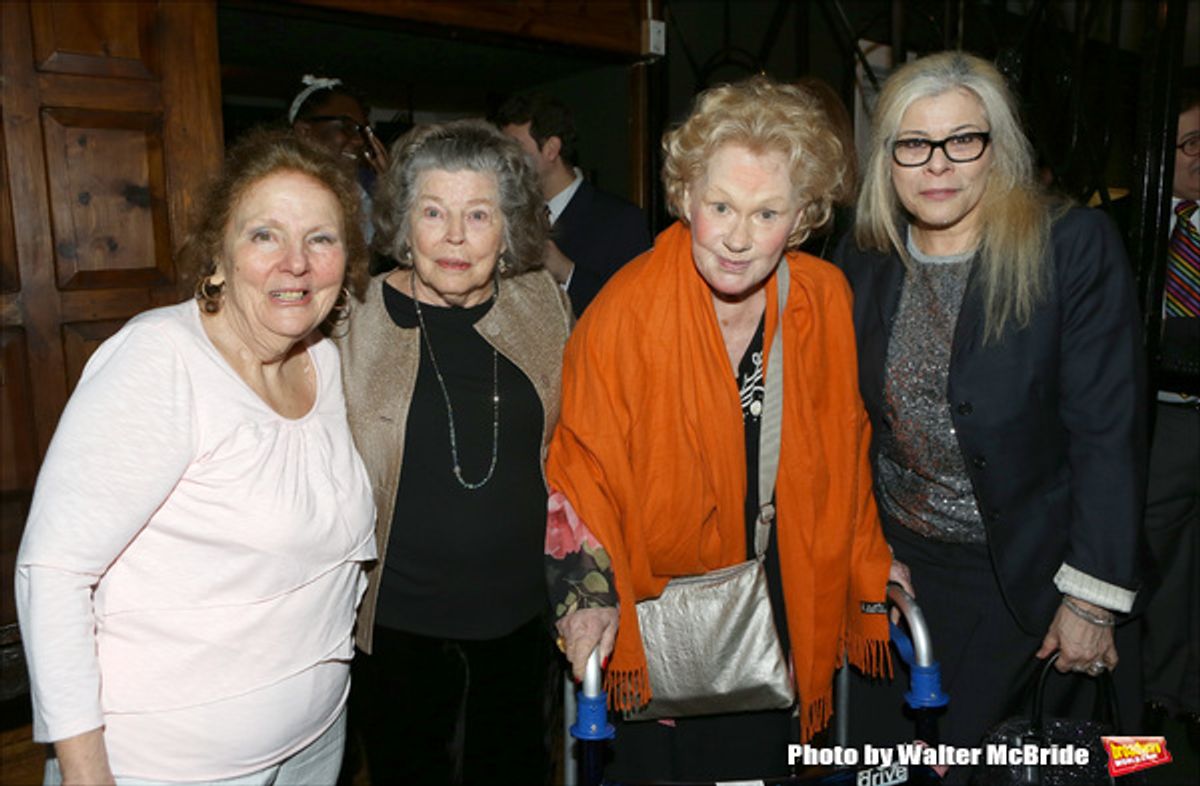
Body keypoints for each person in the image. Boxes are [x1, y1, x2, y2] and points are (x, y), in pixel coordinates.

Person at [546, 76, 895, 782]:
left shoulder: (823, 299)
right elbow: (580, 471)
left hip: (783, 595)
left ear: (803, 216)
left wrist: (869, 557)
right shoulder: (623, 315)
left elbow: (847, 447)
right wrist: (587, 599)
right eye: (722, 206)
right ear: (685, 198)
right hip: (661, 611)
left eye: (767, 213)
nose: (738, 238)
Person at [16, 128, 377, 785]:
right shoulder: (161, 361)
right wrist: (86, 775)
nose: (295, 263)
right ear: (219, 253)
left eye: (321, 239)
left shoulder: (323, 362)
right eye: (265, 235)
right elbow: (54, 574)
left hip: (315, 744)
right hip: (169, 763)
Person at [834, 51, 1145, 783]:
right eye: (914, 144)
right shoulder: (865, 254)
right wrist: (861, 548)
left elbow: (1108, 430)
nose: (937, 164)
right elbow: (843, 422)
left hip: (1028, 580)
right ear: (887, 159)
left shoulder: (1069, 245)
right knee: (890, 768)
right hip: (904, 575)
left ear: (998, 147)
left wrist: (1091, 600)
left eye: (963, 140)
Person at [339, 118, 572, 785]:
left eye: (478, 214)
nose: (454, 237)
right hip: (399, 633)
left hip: (524, 627)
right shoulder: (350, 319)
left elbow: (577, 451)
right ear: (403, 222)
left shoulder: (543, 304)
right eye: (433, 212)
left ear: (509, 228)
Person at [1142, 83, 1199, 731]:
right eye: (1190, 143)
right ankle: (1157, 690)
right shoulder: (1125, 225)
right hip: (1163, 419)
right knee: (1160, 562)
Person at [496, 93, 652, 315]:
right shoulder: (508, 215)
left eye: (515, 148)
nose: (505, 161)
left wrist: (567, 272)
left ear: (551, 149)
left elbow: (637, 309)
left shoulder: (622, 220)